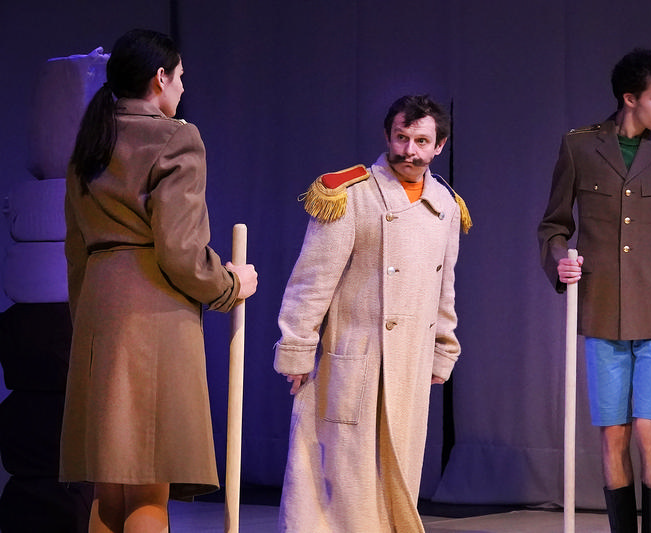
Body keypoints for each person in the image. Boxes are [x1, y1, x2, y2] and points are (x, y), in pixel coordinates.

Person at [60, 29, 258, 532]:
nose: (183, 89)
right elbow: (180, 249)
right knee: (149, 483)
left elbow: (76, 251)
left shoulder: (91, 141)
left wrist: (88, 322)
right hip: (153, 315)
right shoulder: (175, 138)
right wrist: (230, 284)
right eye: (181, 77)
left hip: (98, 313)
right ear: (160, 77)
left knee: (110, 487)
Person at [274, 94, 470, 532]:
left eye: (422, 141)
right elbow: (312, 280)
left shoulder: (446, 205)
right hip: (353, 360)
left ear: (440, 146)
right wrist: (297, 349)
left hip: (410, 365)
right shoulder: (351, 194)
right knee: (343, 480)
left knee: (396, 474)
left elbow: (444, 287)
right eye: (401, 137)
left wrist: (443, 349)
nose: (409, 151)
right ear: (387, 135)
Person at [538, 48, 651, 533]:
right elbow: (553, 225)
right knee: (613, 434)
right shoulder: (579, 146)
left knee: (648, 428)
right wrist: (559, 260)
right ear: (630, 98)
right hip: (603, 307)